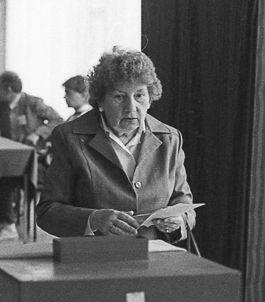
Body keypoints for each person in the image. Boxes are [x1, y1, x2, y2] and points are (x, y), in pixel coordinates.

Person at [37, 47, 195, 240]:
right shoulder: (70, 137)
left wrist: (180, 219)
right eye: (119, 97)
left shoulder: (169, 138)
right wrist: (93, 220)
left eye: (139, 95)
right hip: (96, 254)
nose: (131, 107)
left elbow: (184, 202)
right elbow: (47, 212)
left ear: (150, 99)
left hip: (155, 252)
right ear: (100, 102)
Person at [0, 71, 63, 242]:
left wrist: (38, 133)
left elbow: (58, 120)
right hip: (10, 158)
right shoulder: (2, 104)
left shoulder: (33, 103)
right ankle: (0, 223)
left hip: (34, 161)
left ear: (8, 89)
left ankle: (8, 226)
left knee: (3, 176)